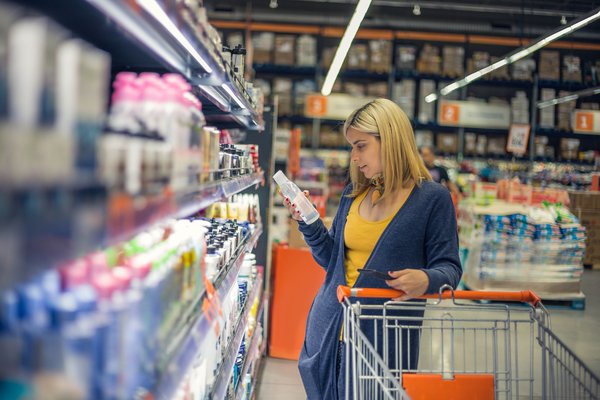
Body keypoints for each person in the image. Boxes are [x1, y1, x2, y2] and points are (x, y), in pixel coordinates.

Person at [280, 99, 462, 399]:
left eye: (361, 145)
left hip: (382, 343)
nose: (354, 157)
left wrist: (426, 280)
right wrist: (308, 222)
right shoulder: (354, 195)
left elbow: (450, 269)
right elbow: (331, 260)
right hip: (328, 331)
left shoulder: (432, 200)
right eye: (352, 147)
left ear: (389, 140)